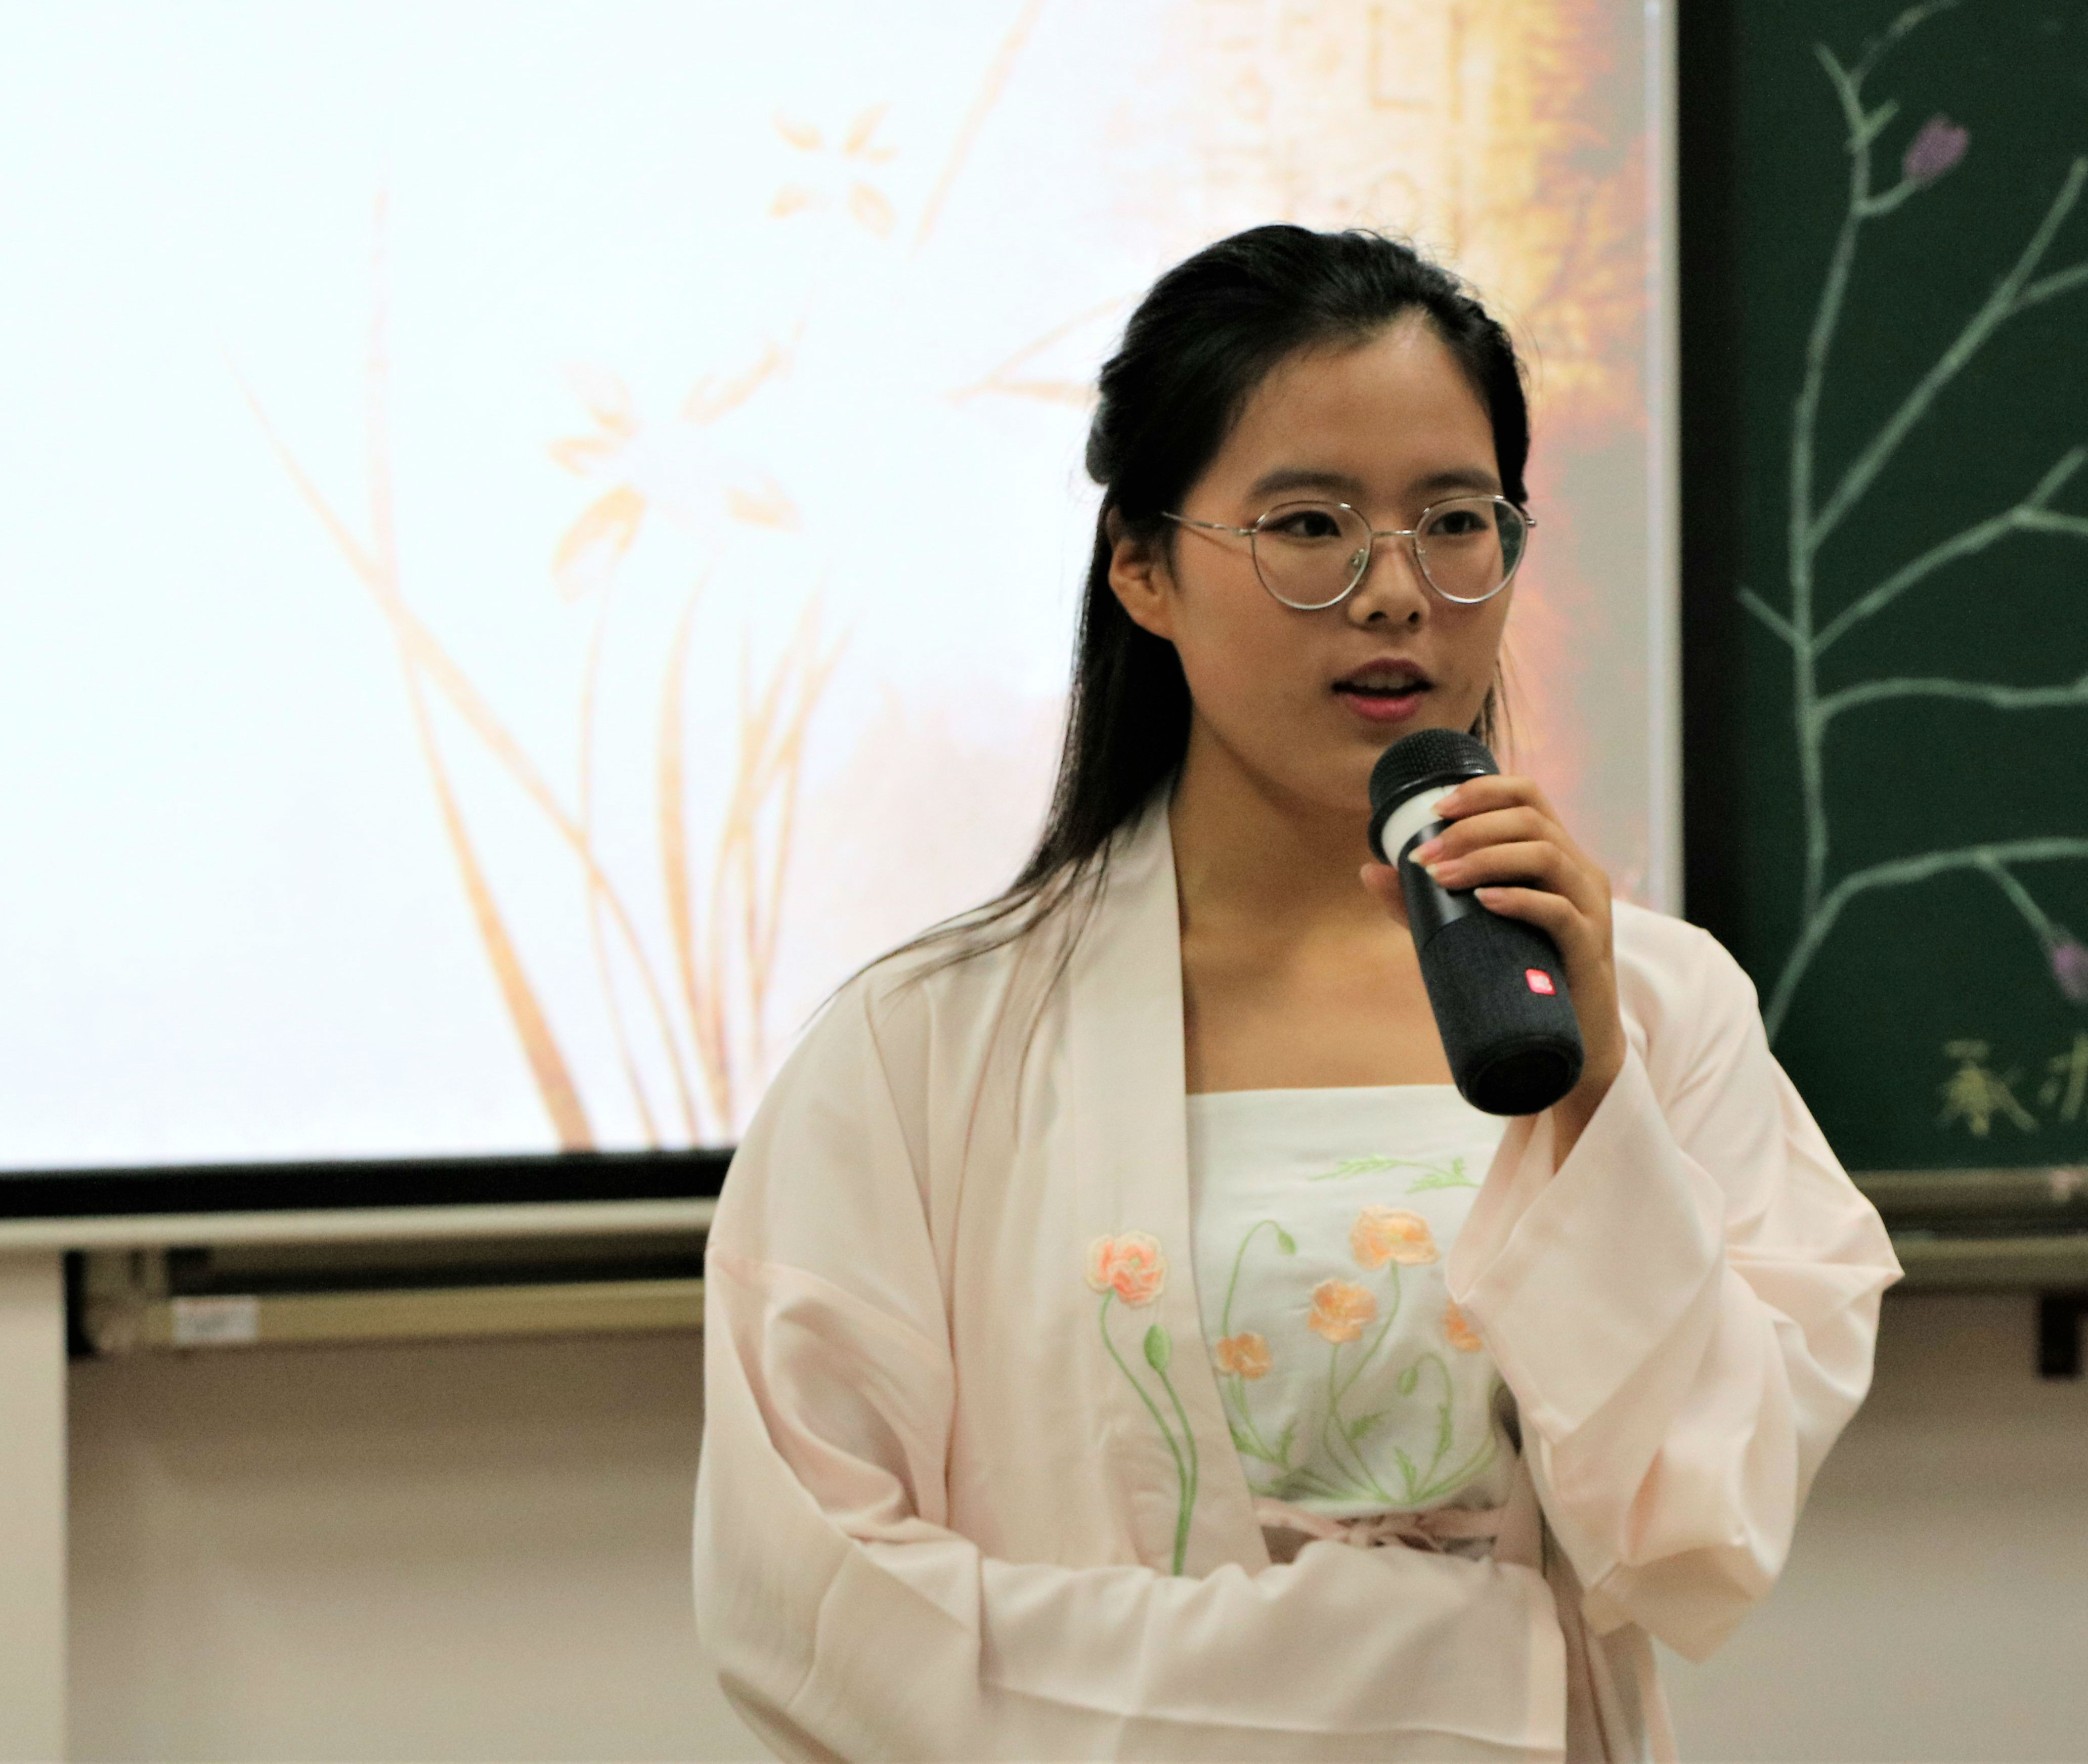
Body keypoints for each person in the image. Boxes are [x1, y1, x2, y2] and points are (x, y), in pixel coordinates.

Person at [693, 225, 1899, 1762]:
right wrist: (1443, 1669)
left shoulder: (1655, 1006)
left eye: (1454, 522)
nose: (1396, 593)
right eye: (1309, 525)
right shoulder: (923, 1048)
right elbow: (808, 1612)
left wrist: (1601, 1103)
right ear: (1143, 566)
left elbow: (1695, 1536)